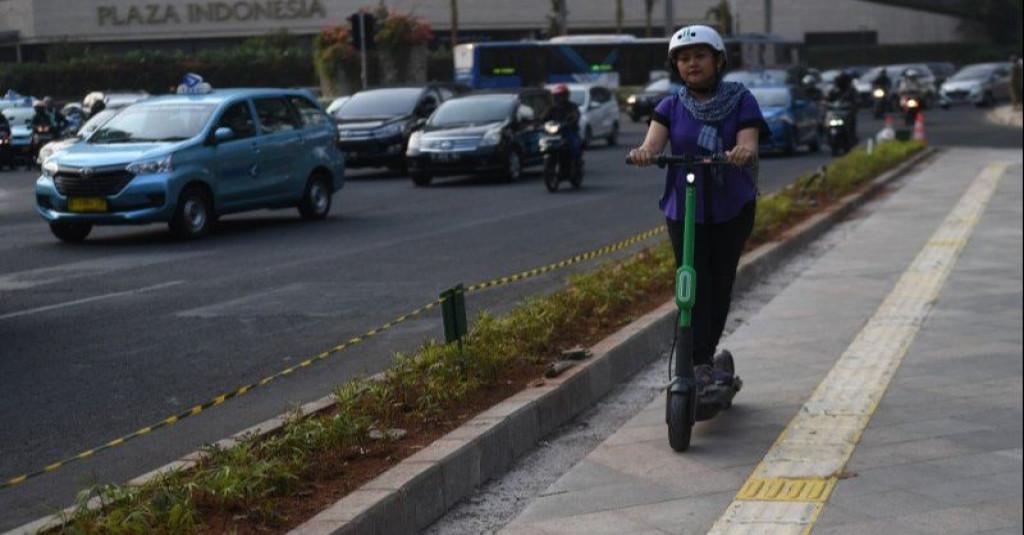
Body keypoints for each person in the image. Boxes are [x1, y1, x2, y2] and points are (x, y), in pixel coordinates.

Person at [627, 24, 765, 390]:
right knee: (690, 281)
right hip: (684, 205)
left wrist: (744, 151)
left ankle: (703, 357)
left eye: (700, 56)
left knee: (718, 284)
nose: (692, 64)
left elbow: (748, 141)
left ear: (718, 60)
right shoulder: (669, 106)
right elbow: (653, 145)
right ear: (676, 66)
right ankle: (691, 360)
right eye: (684, 59)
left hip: (731, 204)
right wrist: (644, 154)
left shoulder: (741, 99)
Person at [543, 84, 582, 162]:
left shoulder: (572, 106)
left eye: (562, 95)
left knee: (575, 145)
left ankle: (577, 162)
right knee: (542, 143)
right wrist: (538, 122)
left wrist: (572, 120)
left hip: (569, 130)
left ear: (566, 96)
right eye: (558, 96)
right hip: (554, 133)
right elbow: (544, 117)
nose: (560, 98)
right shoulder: (552, 108)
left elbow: (576, 115)